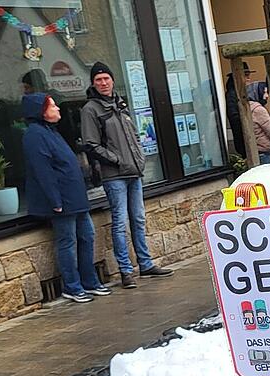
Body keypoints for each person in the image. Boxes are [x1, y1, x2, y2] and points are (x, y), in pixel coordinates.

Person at [81, 62, 172, 289]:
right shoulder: (91, 109)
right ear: (93, 83)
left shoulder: (120, 104)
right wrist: (117, 160)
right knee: (120, 222)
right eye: (98, 80)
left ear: (112, 80)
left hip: (134, 171)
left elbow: (134, 136)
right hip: (114, 175)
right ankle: (125, 270)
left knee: (138, 219)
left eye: (106, 78)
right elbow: (91, 144)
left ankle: (145, 263)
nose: (103, 83)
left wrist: (139, 157)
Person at [22, 93, 111, 303]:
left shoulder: (51, 131)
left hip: (76, 197)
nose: (58, 109)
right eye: (52, 106)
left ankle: (90, 281)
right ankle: (72, 286)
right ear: (41, 111)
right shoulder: (34, 135)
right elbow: (43, 170)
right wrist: (55, 200)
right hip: (62, 200)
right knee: (68, 242)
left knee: (87, 236)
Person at [247, 82, 270, 163]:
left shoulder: (249, 107)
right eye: (264, 92)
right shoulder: (259, 110)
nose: (266, 96)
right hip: (265, 150)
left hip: (257, 150)